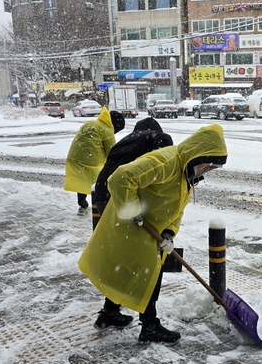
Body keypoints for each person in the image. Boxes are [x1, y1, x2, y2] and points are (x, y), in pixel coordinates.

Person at [78, 123, 228, 344]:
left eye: (212, 168)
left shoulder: (187, 172)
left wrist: (169, 232)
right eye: (208, 164)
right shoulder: (166, 162)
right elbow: (121, 177)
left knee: (131, 271)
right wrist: (133, 211)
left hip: (149, 229)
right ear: (198, 154)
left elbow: (178, 208)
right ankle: (150, 326)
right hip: (132, 224)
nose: (207, 170)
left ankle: (109, 314)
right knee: (149, 274)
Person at [90, 117, 173, 330]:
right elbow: (166, 160)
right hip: (121, 199)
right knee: (146, 261)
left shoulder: (126, 141)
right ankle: (149, 325)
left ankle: (109, 311)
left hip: (102, 196)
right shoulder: (156, 138)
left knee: (123, 257)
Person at [64, 107, 125, 215]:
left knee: (81, 180)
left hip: (74, 156)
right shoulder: (107, 130)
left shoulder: (91, 123)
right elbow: (111, 152)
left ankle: (83, 205)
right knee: (100, 180)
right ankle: (100, 204)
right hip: (90, 159)